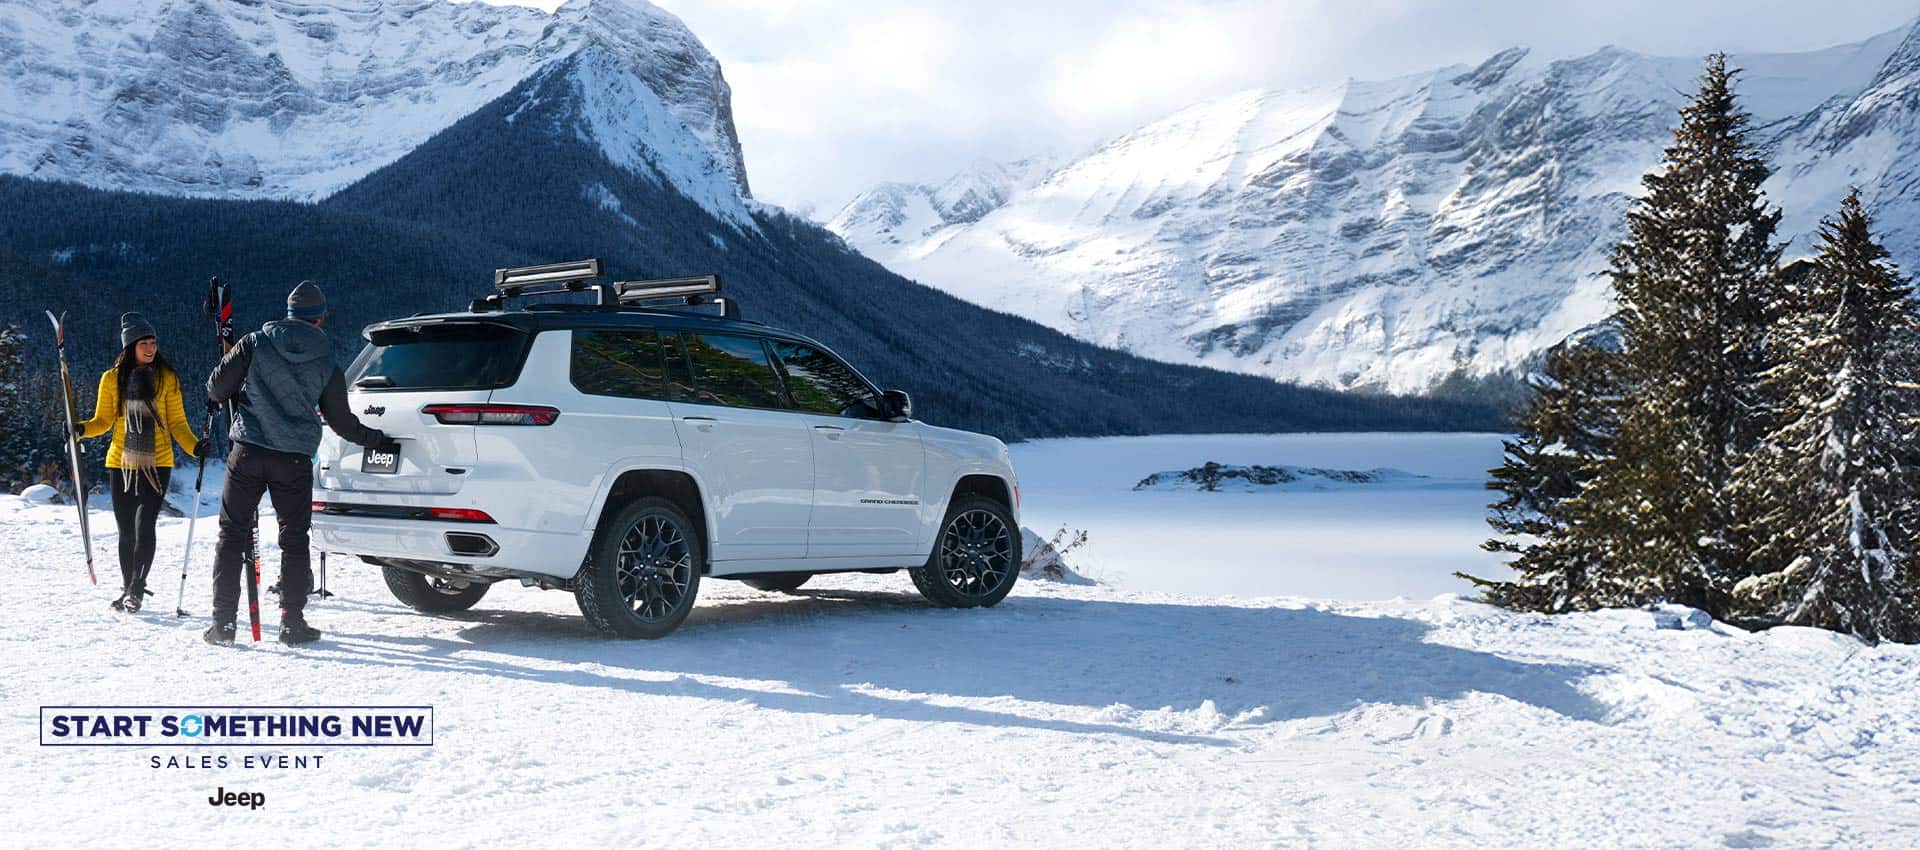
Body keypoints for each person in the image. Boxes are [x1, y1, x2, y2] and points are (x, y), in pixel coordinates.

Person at [203, 281, 390, 646]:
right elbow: (341, 423)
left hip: (248, 452)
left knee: (231, 535)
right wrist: (377, 439)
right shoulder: (328, 362)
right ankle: (292, 623)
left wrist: (241, 384)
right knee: (293, 539)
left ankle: (223, 624)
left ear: (288, 313)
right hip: (293, 459)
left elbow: (215, 389)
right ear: (321, 318)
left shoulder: (254, 343)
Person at [77, 313, 206, 613]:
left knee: (145, 524)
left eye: (153, 343)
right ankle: (127, 589)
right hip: (120, 464)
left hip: (157, 463)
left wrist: (195, 448)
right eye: (144, 343)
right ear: (130, 347)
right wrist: (80, 429)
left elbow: (177, 423)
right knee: (126, 532)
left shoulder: (167, 378)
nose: (150, 348)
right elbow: (103, 421)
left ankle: (136, 588)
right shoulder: (112, 379)